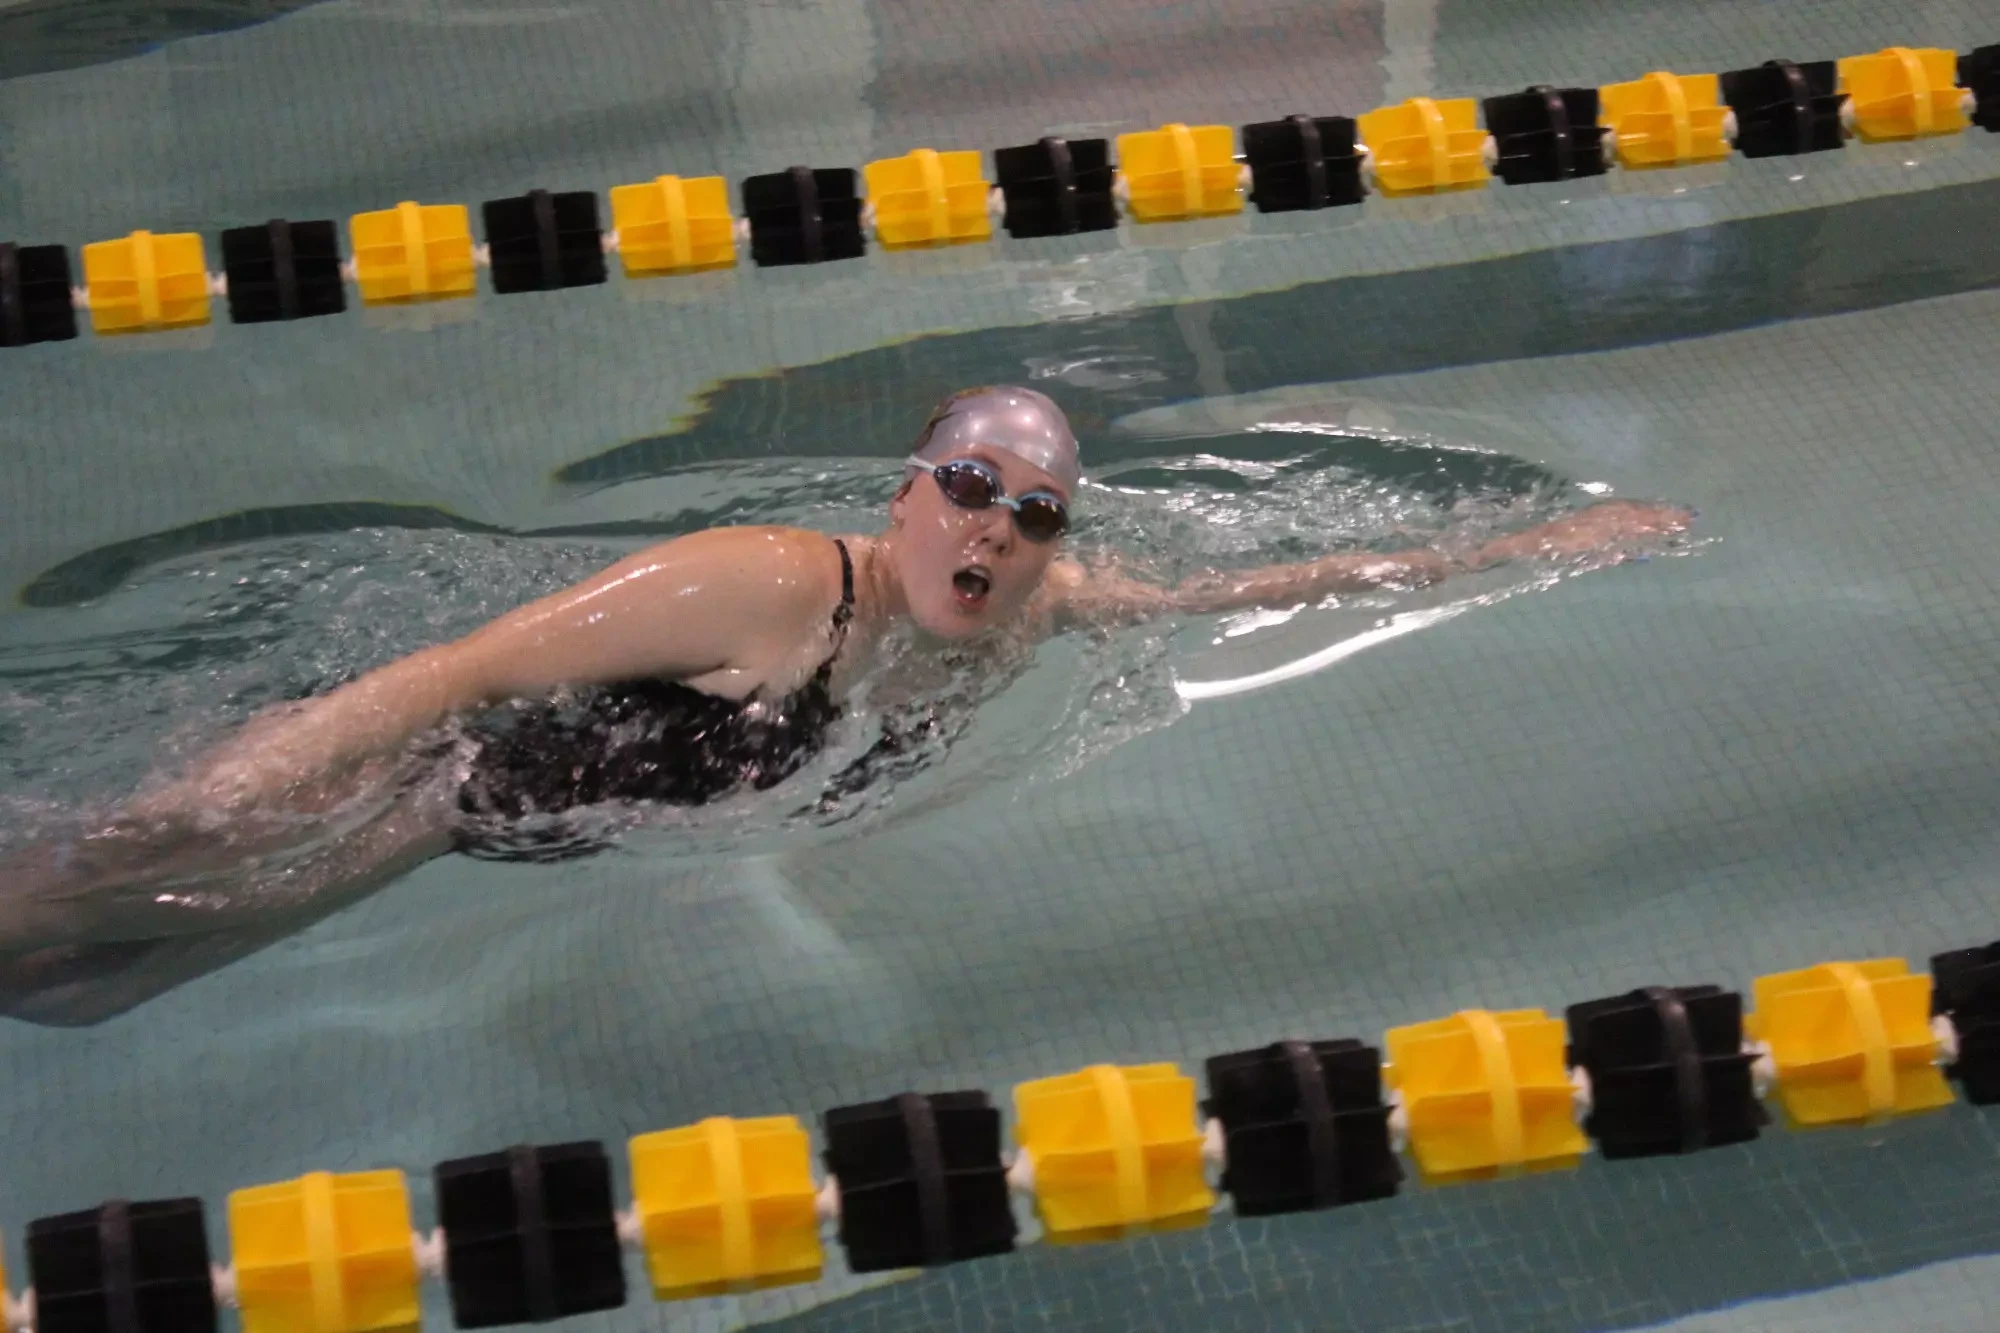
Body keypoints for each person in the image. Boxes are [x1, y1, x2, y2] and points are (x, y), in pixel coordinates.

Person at [0, 386, 1689, 1020]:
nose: (995, 528)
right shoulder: (762, 582)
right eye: (969, 487)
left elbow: (1268, 589)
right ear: (906, 491)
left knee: (82, 995)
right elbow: (454, 674)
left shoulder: (1034, 617)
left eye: (1032, 513)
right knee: (81, 897)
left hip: (468, 836)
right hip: (403, 777)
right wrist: (214, 796)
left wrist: (1555, 540)